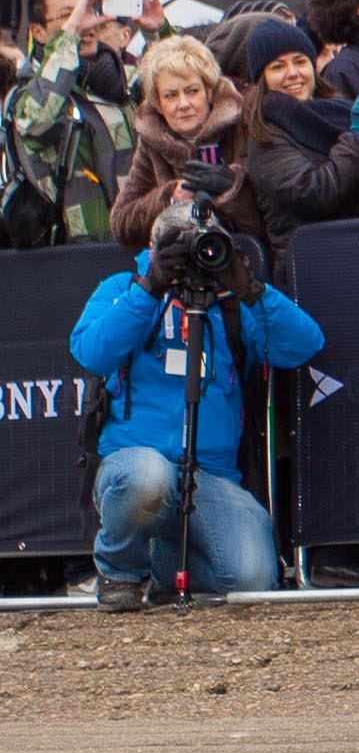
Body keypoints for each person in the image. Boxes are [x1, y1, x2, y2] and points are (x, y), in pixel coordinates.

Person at [71, 201, 324, 609]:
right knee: (150, 478)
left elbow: (304, 345)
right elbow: (90, 353)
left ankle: (165, 562)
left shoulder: (231, 305)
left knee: (253, 577)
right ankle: (120, 573)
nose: (193, 257)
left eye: (204, 245)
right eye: (178, 246)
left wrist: (250, 290)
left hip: (212, 476)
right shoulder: (123, 288)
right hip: (135, 463)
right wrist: (152, 285)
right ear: (154, 247)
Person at [5, 0, 146, 242]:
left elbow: (189, 92)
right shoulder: (29, 95)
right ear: (39, 32)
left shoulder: (124, 84)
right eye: (70, 16)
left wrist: (158, 31)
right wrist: (69, 35)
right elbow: (36, 122)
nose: (86, 24)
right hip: (71, 256)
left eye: (88, 12)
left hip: (135, 248)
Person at [242, 20, 359, 262]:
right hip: (312, 269)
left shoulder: (339, 113)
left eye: (300, 61)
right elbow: (315, 193)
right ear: (262, 78)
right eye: (278, 67)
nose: (293, 73)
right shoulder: (265, 135)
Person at [111, 36, 265, 249]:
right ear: (158, 103)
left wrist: (231, 186)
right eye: (171, 95)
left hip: (246, 258)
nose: (183, 104)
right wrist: (171, 196)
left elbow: (268, 213)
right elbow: (121, 224)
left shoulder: (244, 122)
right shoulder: (152, 139)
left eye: (192, 91)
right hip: (179, 264)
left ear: (208, 92)